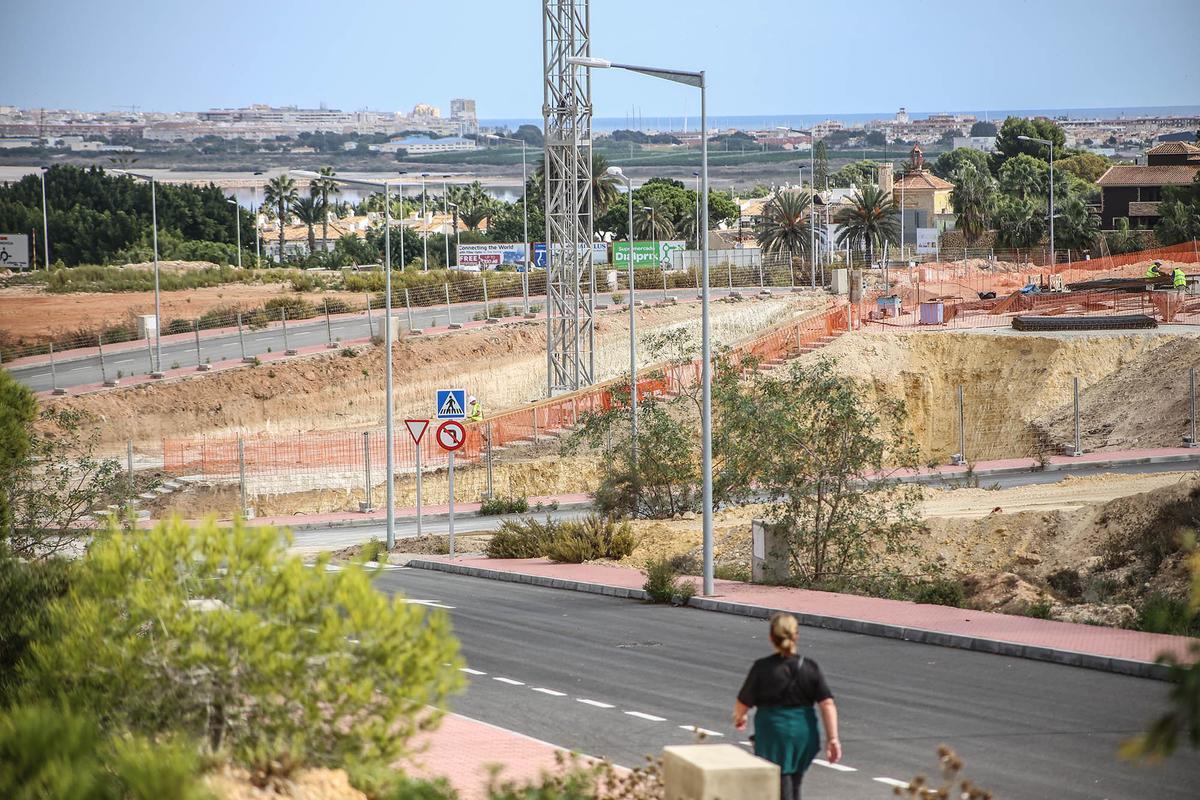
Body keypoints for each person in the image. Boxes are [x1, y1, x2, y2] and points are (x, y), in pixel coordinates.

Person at [733, 612, 840, 800]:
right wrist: (833, 739)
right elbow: (827, 703)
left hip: (773, 733)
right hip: (803, 732)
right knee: (795, 779)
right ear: (796, 635)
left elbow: (743, 702)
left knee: (780, 780)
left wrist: (740, 717)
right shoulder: (809, 667)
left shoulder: (762, 668)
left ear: (771, 637)